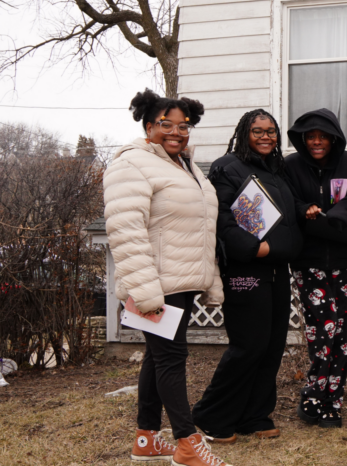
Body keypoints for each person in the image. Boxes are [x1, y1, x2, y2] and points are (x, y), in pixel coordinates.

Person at [104, 90, 230, 466]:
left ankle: (146, 439)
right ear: (148, 125)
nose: (176, 132)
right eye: (166, 124)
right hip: (157, 284)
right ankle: (187, 443)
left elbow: (201, 228)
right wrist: (145, 289)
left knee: (158, 359)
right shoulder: (133, 164)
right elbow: (126, 231)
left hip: (182, 280)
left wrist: (209, 279)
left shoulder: (184, 165)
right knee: (171, 358)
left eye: (183, 125)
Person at [193, 109, 303, 443]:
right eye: (258, 131)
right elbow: (221, 218)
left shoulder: (278, 169)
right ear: (245, 133)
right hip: (246, 271)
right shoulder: (227, 167)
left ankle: (254, 415)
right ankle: (211, 415)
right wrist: (256, 250)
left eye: (271, 131)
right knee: (248, 345)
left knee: (272, 346)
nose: (266, 137)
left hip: (277, 271)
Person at [283, 109, 347, 428]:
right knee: (324, 327)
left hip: (344, 259)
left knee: (342, 332)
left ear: (333, 138)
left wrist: (331, 218)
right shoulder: (291, 165)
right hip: (309, 260)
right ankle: (315, 392)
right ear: (303, 139)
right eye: (311, 137)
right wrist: (306, 210)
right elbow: (289, 201)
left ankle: (334, 401)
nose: (317, 142)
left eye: (323, 136)